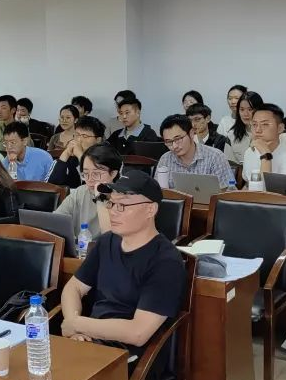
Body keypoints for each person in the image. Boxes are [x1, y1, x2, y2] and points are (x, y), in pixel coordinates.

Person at [59, 171, 188, 363]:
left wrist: (78, 324)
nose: (112, 211)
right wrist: (75, 331)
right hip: (90, 341)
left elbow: (138, 333)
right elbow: (74, 288)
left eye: (123, 206)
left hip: (128, 356)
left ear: (150, 209)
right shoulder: (106, 242)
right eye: (111, 203)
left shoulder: (166, 261)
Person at [55, 143, 120, 239]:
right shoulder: (80, 192)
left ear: (113, 174)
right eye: (85, 173)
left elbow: (111, 240)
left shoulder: (124, 200)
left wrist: (100, 199)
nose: (90, 180)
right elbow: (55, 222)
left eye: (96, 174)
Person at [154, 113, 232, 190]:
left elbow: (228, 192)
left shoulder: (215, 157)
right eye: (169, 142)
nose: (174, 146)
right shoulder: (165, 159)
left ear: (191, 133)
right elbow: (157, 191)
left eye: (178, 139)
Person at [245, 103, 286, 179]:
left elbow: (263, 186)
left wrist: (266, 155)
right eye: (254, 124)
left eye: (265, 124)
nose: (257, 130)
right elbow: (248, 182)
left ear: (280, 128)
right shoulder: (249, 152)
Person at [49, 115, 105, 188]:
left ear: (98, 140)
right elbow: (52, 185)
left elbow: (93, 184)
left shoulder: (105, 157)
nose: (79, 140)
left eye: (85, 136)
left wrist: (80, 155)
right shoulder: (71, 156)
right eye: (77, 135)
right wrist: (66, 153)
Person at [224, 91, 262, 165]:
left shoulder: (270, 133)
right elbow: (229, 165)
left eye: (250, 109)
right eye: (242, 109)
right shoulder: (232, 135)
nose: (245, 114)